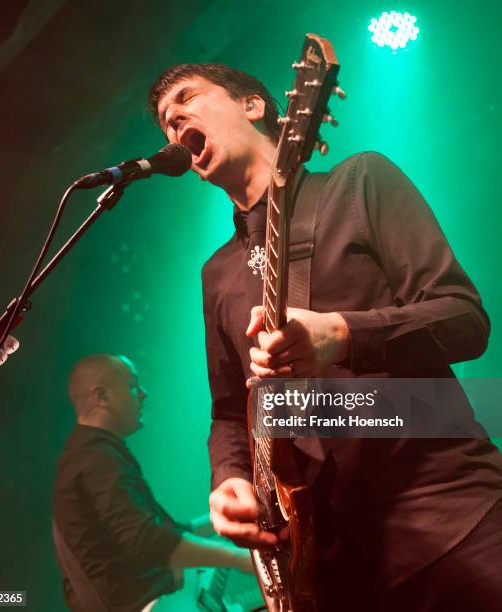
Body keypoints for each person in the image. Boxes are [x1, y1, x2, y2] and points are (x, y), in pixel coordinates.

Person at [147, 63, 502, 610]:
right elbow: (228, 412)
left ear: (254, 106)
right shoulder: (217, 274)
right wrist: (231, 480)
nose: (175, 125)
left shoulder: (359, 183)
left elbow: (463, 318)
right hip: (333, 570)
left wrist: (341, 334)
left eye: (188, 99)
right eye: (166, 126)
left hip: (452, 520)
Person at [52, 353, 251, 612]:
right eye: (132, 385)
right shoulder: (94, 458)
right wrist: (239, 558)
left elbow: (164, 531)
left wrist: (227, 516)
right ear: (102, 397)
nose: (143, 393)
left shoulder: (94, 452)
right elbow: (147, 540)